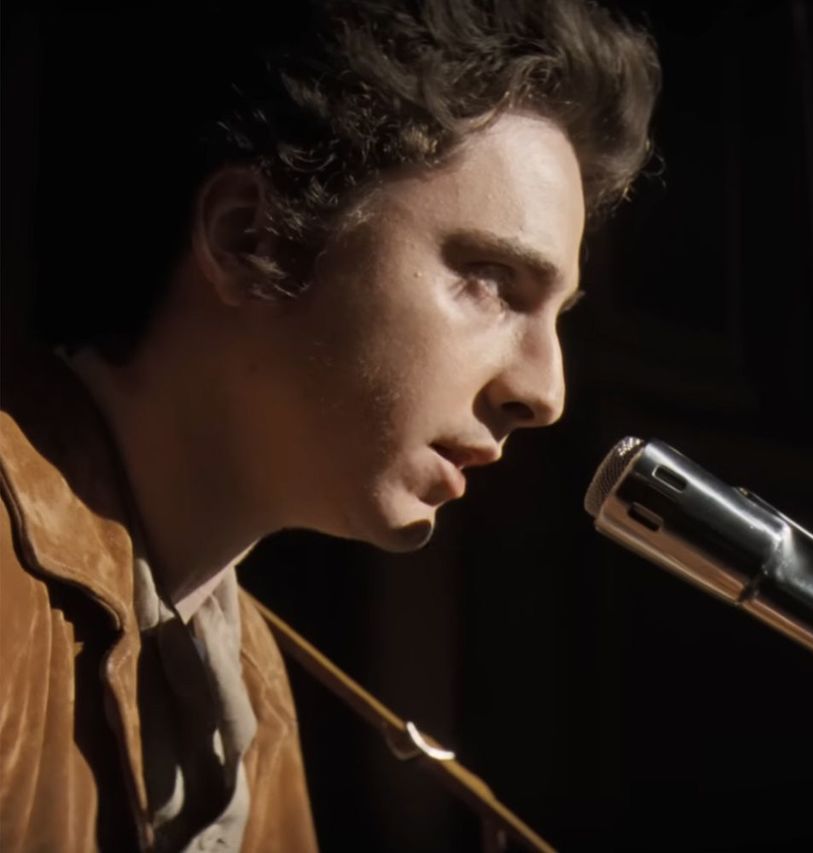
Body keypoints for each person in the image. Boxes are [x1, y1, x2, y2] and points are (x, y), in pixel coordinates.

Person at [0, 0, 659, 849]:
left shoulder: (255, 693)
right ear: (251, 238)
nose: (545, 390)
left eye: (557, 314)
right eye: (491, 279)